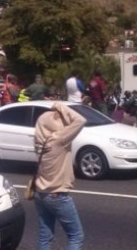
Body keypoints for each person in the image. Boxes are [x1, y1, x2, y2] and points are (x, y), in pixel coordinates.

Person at [33, 102, 87, 250]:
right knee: (76, 236)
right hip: (57, 195)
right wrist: (60, 106)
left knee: (45, 236)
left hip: (41, 193)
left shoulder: (39, 141)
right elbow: (80, 120)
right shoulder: (59, 139)